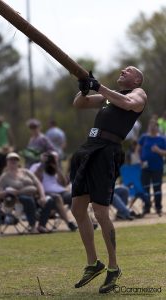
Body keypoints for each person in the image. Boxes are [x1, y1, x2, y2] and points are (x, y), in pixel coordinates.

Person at [70, 66, 147, 293]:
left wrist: (99, 87)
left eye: (130, 70)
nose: (124, 70)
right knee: (77, 209)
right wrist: (84, 89)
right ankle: (94, 263)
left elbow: (128, 105)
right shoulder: (108, 97)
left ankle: (113, 267)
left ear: (137, 80)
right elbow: (79, 104)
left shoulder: (138, 94)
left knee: (100, 211)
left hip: (107, 151)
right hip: (89, 148)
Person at [137, 119, 166, 216]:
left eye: (154, 126)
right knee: (146, 188)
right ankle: (147, 207)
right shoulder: (144, 137)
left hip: (157, 167)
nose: (152, 127)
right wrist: (139, 160)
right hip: (145, 168)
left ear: (158, 127)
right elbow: (138, 149)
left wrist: (158, 151)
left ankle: (158, 208)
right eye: (151, 125)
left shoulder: (162, 139)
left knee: (157, 188)